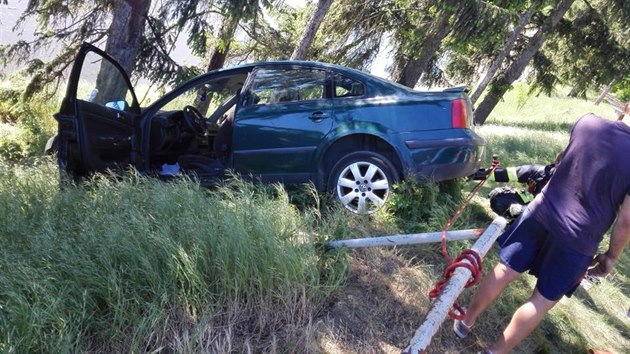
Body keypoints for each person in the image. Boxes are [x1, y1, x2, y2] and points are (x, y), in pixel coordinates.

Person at [453, 103, 630, 354]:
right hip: (579, 241)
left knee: (506, 269)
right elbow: (626, 220)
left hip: (541, 212)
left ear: (625, 107)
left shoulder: (588, 122)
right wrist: (611, 257)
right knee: (541, 300)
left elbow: (559, 160)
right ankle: (493, 352)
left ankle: (465, 322)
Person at [472, 152, 563, 219]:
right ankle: (512, 223)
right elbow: (508, 174)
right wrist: (477, 173)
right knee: (498, 198)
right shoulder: (539, 172)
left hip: (553, 221)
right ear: (555, 162)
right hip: (531, 209)